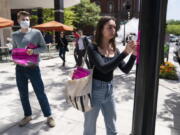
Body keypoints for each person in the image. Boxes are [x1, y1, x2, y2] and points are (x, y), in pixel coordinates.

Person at [83, 16, 137, 135]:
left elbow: (126, 69)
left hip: (110, 90)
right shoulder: (93, 47)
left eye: (114, 27)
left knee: (112, 127)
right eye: (109, 27)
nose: (113, 30)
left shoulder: (115, 49)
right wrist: (124, 53)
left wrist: (133, 55)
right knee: (89, 128)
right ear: (101, 29)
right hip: (94, 91)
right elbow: (103, 68)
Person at [11, 11, 55, 127]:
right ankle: (27, 115)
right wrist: (14, 57)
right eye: (23, 19)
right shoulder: (15, 35)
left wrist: (34, 51)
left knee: (40, 92)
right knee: (23, 94)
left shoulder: (36, 33)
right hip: (20, 68)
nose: (25, 21)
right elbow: (14, 50)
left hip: (33, 68)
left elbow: (44, 47)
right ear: (18, 21)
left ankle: (49, 116)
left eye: (27, 19)